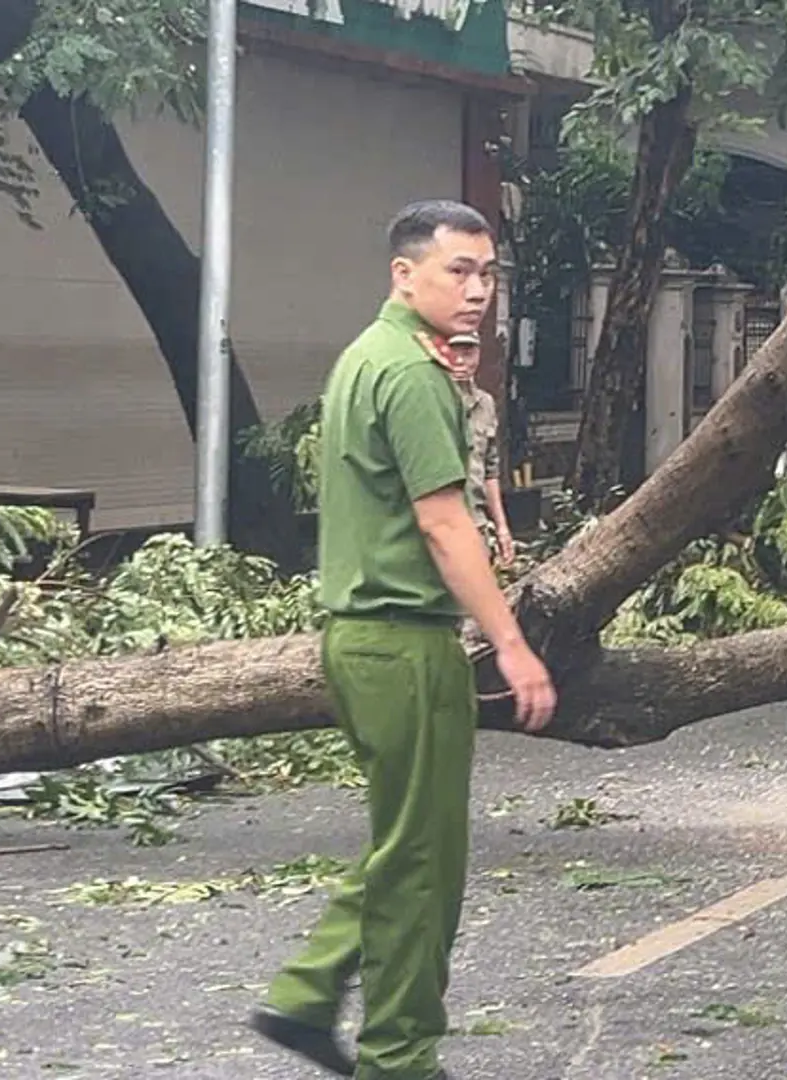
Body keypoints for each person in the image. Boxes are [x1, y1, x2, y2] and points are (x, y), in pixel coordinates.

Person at [249, 200, 558, 1080]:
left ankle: (307, 997)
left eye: (488, 274)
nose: (477, 292)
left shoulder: (364, 357)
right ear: (405, 273)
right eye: (458, 271)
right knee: (424, 868)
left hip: (358, 637)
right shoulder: (416, 375)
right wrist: (510, 641)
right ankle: (401, 1058)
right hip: (403, 638)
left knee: (405, 843)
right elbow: (443, 524)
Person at [444, 332, 515, 570]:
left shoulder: (485, 404)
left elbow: (489, 469)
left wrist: (502, 528)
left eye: (468, 353)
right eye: (454, 352)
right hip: (438, 526)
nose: (461, 361)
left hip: (476, 524)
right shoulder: (428, 399)